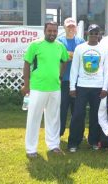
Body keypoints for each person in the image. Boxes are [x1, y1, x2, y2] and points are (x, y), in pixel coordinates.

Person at [21, 21, 69, 158]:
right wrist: (26, 84)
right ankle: (31, 149)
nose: (52, 33)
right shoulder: (35, 45)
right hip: (37, 88)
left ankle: (53, 145)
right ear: (44, 30)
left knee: (53, 118)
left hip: (55, 87)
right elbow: (27, 63)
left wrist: (60, 76)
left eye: (54, 31)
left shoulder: (60, 46)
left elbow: (65, 60)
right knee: (34, 118)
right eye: (50, 31)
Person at [67, 24, 108, 152]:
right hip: (82, 86)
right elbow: (74, 69)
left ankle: (94, 141)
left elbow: (107, 71)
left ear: (99, 34)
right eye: (91, 33)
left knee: (96, 115)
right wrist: (72, 87)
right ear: (87, 33)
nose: (93, 35)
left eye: (96, 33)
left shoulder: (104, 49)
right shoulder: (80, 48)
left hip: (98, 87)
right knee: (78, 114)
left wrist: (105, 88)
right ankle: (74, 142)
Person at [58, 17, 85, 137]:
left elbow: (83, 58)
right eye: (68, 26)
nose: (71, 28)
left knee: (77, 110)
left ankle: (76, 134)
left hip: (78, 82)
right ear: (64, 27)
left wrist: (69, 56)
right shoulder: (59, 41)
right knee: (61, 109)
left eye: (73, 26)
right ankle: (58, 133)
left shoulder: (81, 41)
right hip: (63, 81)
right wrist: (71, 56)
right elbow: (60, 58)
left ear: (76, 28)